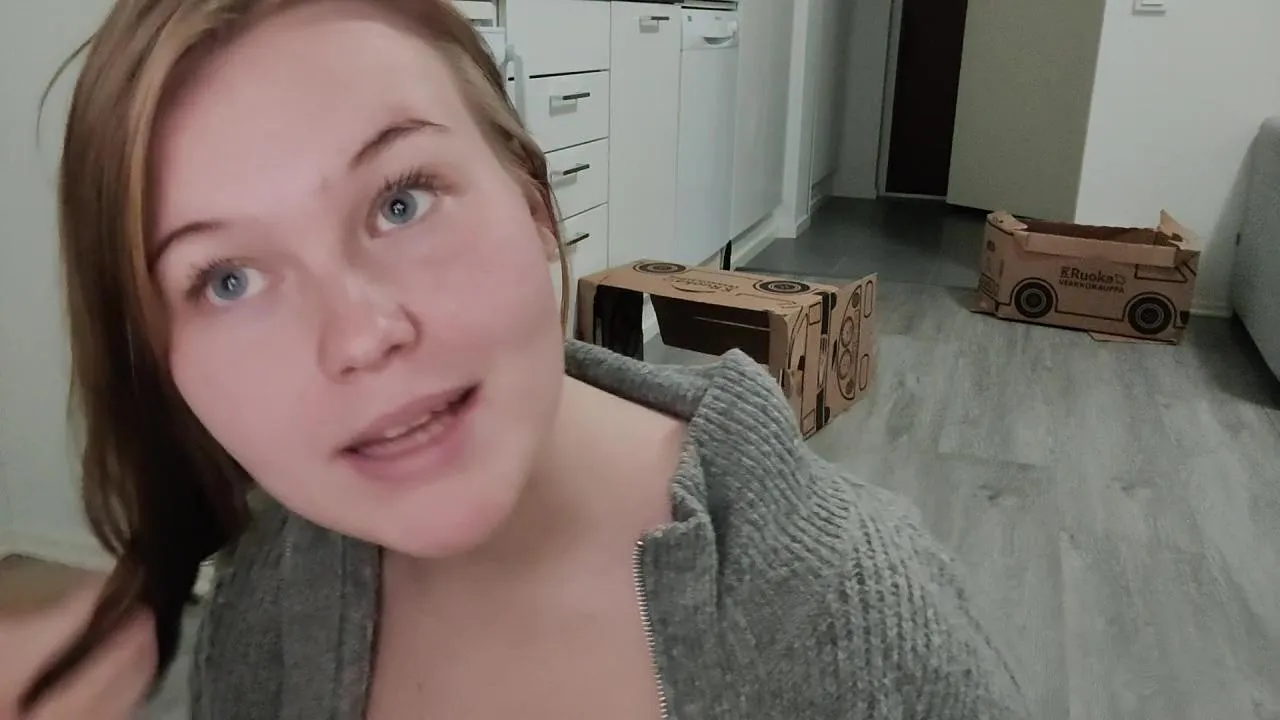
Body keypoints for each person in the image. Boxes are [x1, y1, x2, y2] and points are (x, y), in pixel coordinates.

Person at [4, 0, 1030, 717]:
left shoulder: (860, 622)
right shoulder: (263, 607)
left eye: (399, 201)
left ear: (535, 203)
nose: (359, 336)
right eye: (227, 279)